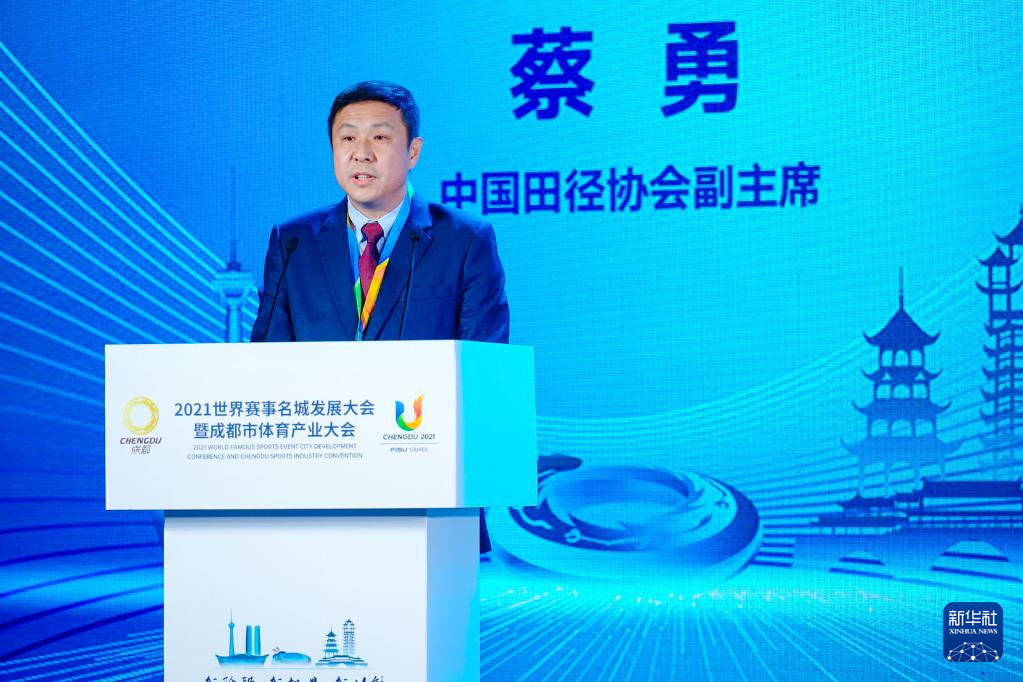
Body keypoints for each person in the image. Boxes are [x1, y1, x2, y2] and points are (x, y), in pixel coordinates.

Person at [250, 81, 508, 551]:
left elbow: (483, 370)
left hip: (428, 494)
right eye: (347, 138)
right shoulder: (293, 241)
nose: (361, 153)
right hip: (314, 488)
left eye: (380, 137)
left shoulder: (464, 240)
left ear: (413, 152)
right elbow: (266, 363)